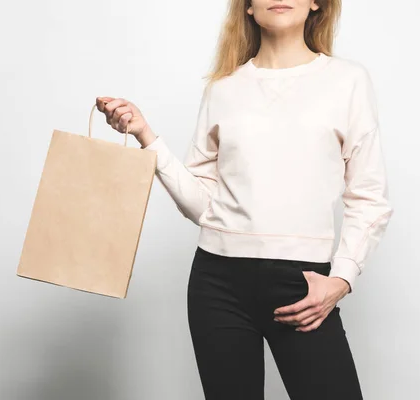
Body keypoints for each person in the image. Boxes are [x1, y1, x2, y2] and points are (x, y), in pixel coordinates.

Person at [96, 0, 393, 398]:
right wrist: (146, 136)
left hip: (302, 285)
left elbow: (369, 196)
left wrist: (341, 278)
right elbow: (204, 206)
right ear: (249, 8)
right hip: (217, 284)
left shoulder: (347, 81)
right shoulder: (224, 86)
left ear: (316, 3)